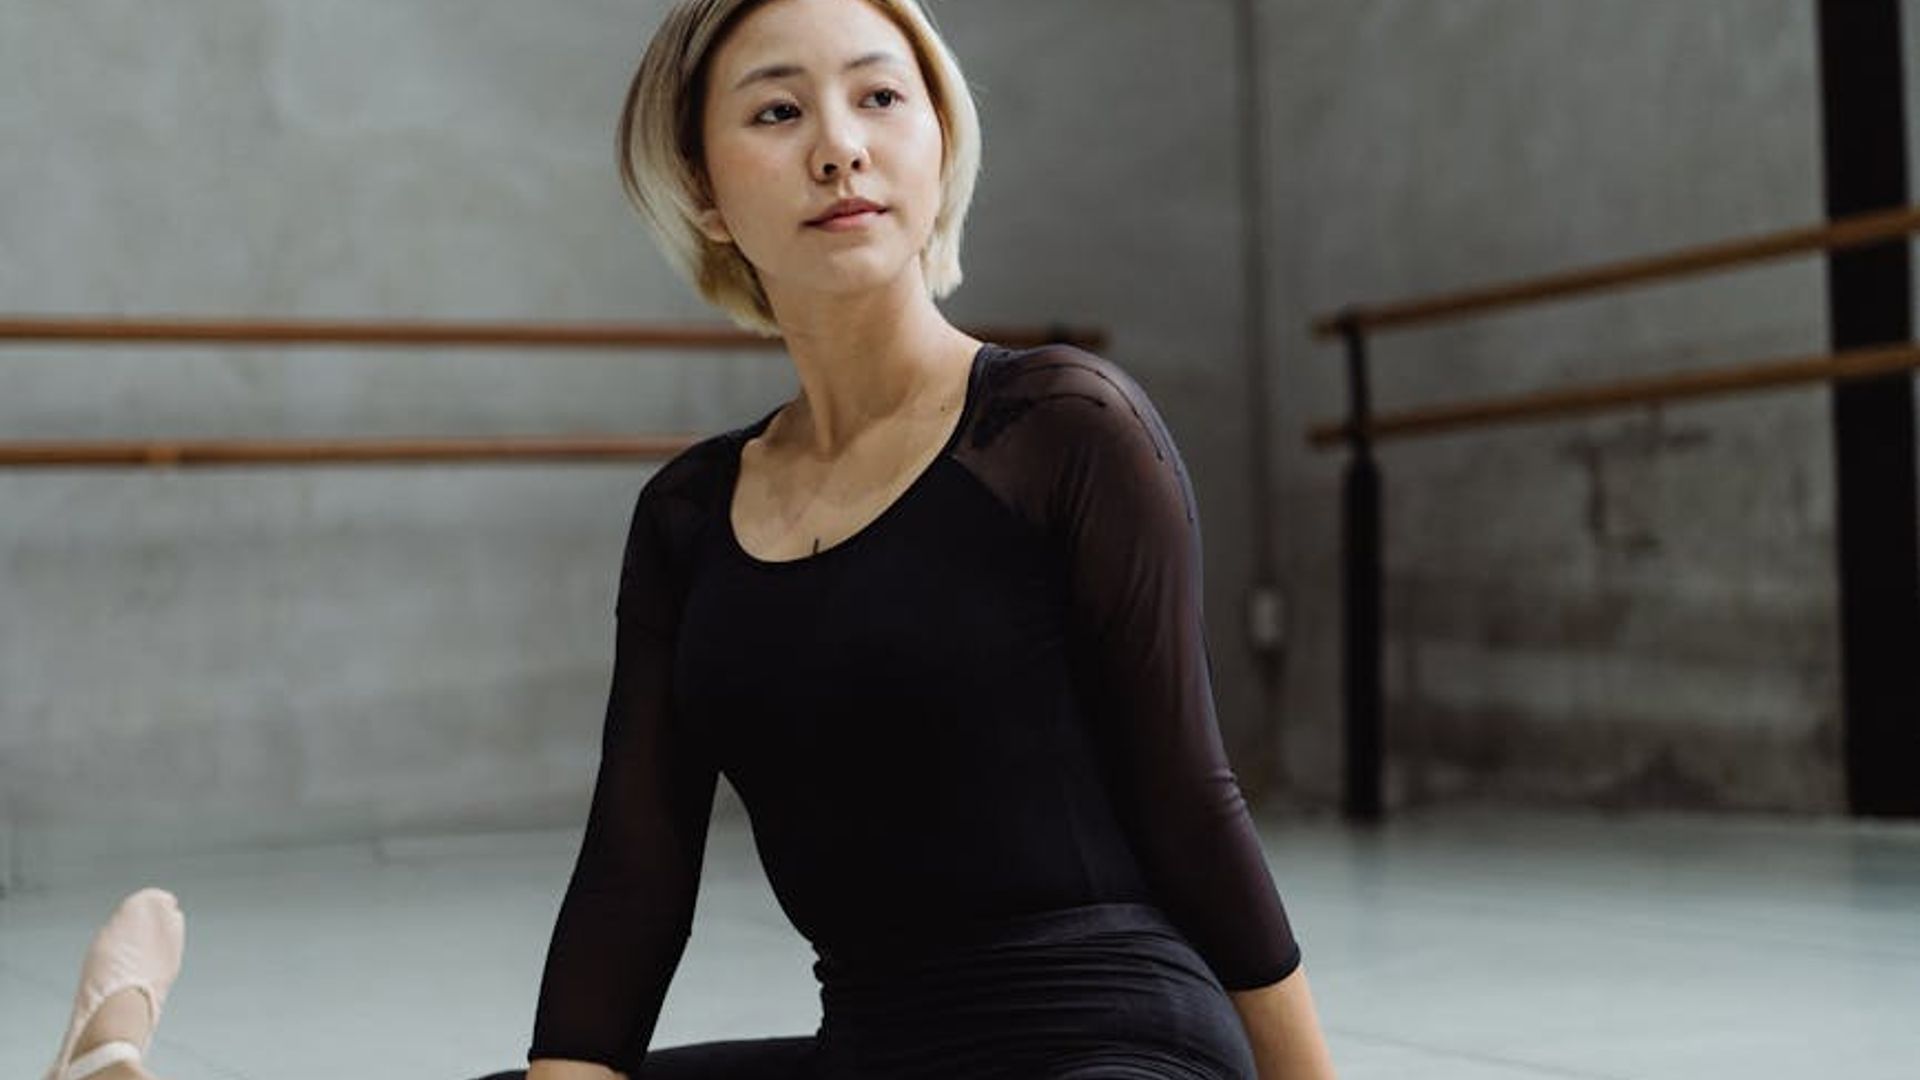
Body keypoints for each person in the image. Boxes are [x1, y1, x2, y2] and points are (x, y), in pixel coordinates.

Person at [40, 1, 1339, 1078]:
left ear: (938, 138)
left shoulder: (1060, 429)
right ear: (709, 192)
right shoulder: (687, 517)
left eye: (881, 99)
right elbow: (633, 868)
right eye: (778, 111)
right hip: (875, 1049)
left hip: (1110, 1038)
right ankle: (114, 1047)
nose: (840, 147)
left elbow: (1190, 798)